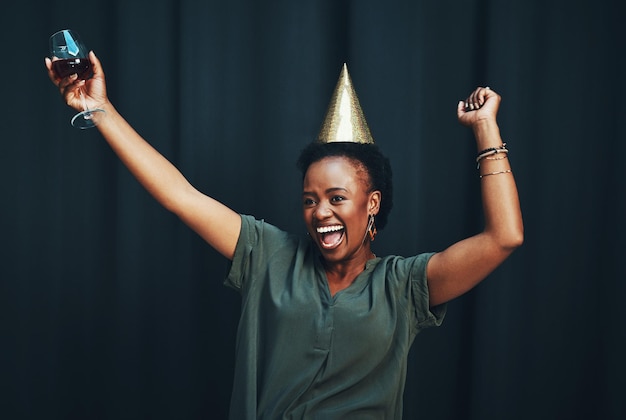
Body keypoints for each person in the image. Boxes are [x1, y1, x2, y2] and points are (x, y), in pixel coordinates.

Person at [46, 51, 523, 419]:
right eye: (310, 200)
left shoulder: (405, 287)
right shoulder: (268, 253)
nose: (321, 213)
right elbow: (180, 195)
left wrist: (484, 127)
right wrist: (100, 109)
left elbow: (504, 237)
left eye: (337, 197)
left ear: (371, 203)